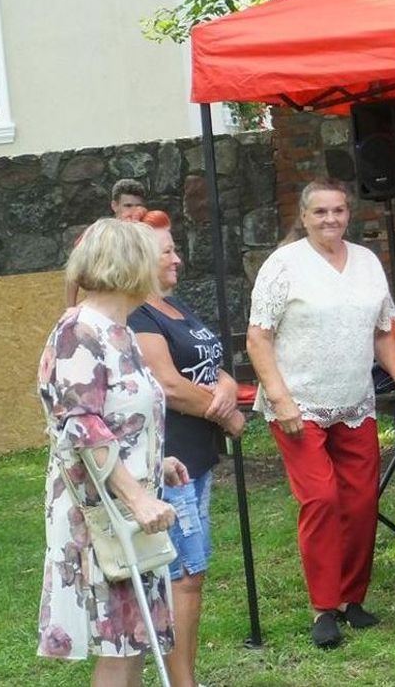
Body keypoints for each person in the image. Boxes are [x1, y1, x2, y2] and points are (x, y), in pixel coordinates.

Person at [246, 178, 395, 648]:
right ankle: (323, 607)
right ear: (303, 217)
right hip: (298, 403)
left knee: (362, 502)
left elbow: (384, 332)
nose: (331, 220)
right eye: (320, 212)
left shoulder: (367, 263)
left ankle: (352, 599)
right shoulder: (283, 265)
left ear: (350, 214)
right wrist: (280, 398)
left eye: (339, 211)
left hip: (355, 401)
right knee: (322, 499)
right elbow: (258, 338)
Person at [36, 218, 189, 685]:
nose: (169, 261)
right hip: (101, 510)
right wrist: (137, 497)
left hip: (124, 501)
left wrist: (152, 460)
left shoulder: (118, 330)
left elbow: (118, 416)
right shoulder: (80, 330)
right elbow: (82, 425)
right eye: (156, 254)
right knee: (119, 641)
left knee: (133, 637)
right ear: (130, 265)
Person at [129, 210, 246, 687]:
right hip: (169, 459)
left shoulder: (175, 306)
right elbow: (169, 386)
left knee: (191, 574)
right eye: (168, 252)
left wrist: (229, 384)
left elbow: (210, 363)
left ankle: (185, 678)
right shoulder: (139, 313)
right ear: (140, 259)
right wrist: (228, 413)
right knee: (182, 574)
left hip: (196, 456)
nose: (178, 258)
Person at [65, 179, 150, 307]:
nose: (133, 211)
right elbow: (74, 272)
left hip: (142, 308)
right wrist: (70, 308)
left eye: (138, 206)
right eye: (127, 206)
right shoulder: (98, 234)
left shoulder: (149, 235)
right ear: (114, 206)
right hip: (105, 306)